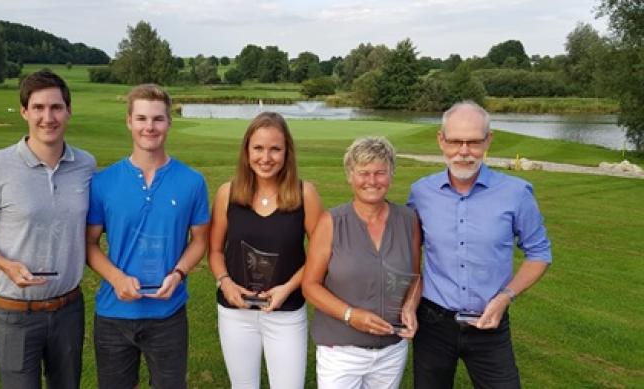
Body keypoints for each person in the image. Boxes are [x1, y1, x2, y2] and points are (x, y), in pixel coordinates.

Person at [0, 70, 95, 388]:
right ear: (24, 112)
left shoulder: (86, 165)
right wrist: (4, 264)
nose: (48, 117)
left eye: (56, 107)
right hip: (15, 312)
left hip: (69, 309)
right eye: (38, 108)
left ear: (69, 111)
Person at [408, 101, 552, 389]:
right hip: (433, 324)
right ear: (441, 140)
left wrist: (506, 297)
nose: (464, 151)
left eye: (474, 142)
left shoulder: (516, 193)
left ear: (488, 141)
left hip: (491, 322)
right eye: (455, 141)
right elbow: (407, 252)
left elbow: (539, 253)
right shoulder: (421, 192)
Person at [86, 84, 210, 389]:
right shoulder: (103, 182)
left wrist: (179, 273)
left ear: (169, 122)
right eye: (141, 118)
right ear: (129, 121)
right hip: (114, 314)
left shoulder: (192, 182)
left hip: (168, 314)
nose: (149, 127)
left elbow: (201, 241)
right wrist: (116, 278)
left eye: (157, 119)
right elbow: (89, 245)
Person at [208, 112, 324, 389]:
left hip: (286, 312)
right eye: (258, 148)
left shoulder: (304, 194)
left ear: (287, 152)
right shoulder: (229, 193)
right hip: (235, 312)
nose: (266, 157)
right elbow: (214, 251)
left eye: (275, 149)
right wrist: (226, 284)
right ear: (247, 150)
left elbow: (322, 255)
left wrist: (287, 288)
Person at [302, 136, 421, 389]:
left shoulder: (409, 220)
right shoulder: (331, 222)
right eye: (363, 173)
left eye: (380, 173)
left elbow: (414, 277)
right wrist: (350, 315)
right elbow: (310, 285)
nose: (372, 181)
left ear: (391, 174)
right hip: (341, 352)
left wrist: (410, 306)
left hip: (392, 348)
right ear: (350, 176)